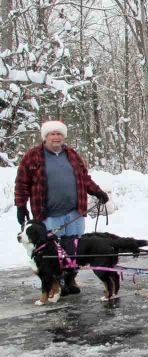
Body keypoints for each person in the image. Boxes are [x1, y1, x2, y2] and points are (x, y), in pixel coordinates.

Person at [15, 120, 109, 293]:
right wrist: (21, 206)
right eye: (53, 134)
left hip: (74, 213)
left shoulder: (71, 154)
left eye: (59, 134)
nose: (56, 137)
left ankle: (70, 280)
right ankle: (56, 284)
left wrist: (97, 192)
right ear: (45, 136)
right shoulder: (33, 156)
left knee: (73, 249)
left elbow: (84, 178)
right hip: (48, 215)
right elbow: (22, 183)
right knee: (54, 252)